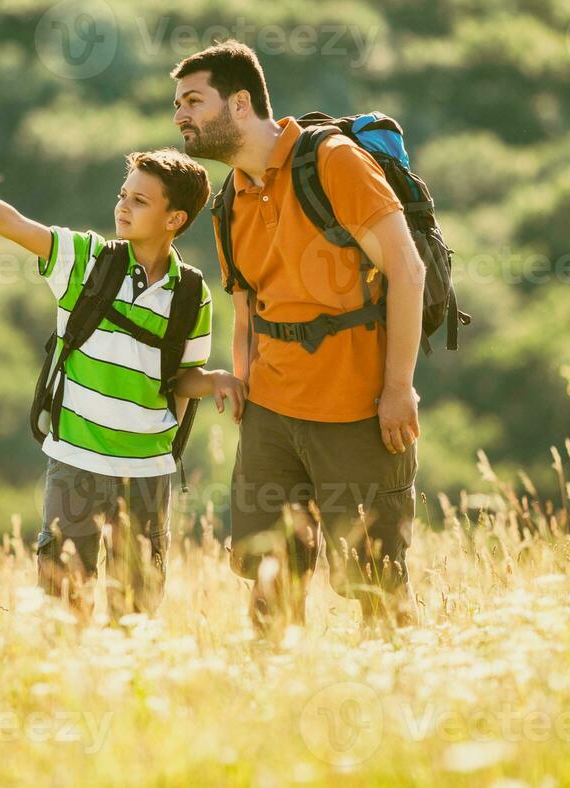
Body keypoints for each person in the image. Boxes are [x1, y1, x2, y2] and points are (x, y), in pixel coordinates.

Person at [0, 143, 244, 619]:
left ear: (175, 218)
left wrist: (216, 380)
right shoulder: (86, 260)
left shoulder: (191, 292)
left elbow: (180, 379)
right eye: (124, 194)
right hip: (75, 459)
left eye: (141, 200)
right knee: (63, 595)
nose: (123, 205)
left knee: (137, 605)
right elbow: (13, 224)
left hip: (146, 470)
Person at [171, 40, 426, 637]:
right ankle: (267, 707)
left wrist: (399, 388)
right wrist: (244, 385)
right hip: (272, 419)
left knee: (377, 583)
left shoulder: (333, 162)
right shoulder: (228, 195)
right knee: (268, 580)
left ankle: (406, 700)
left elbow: (407, 272)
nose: (179, 116)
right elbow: (246, 306)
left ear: (239, 104)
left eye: (192, 101)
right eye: (177, 104)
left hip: (358, 412)